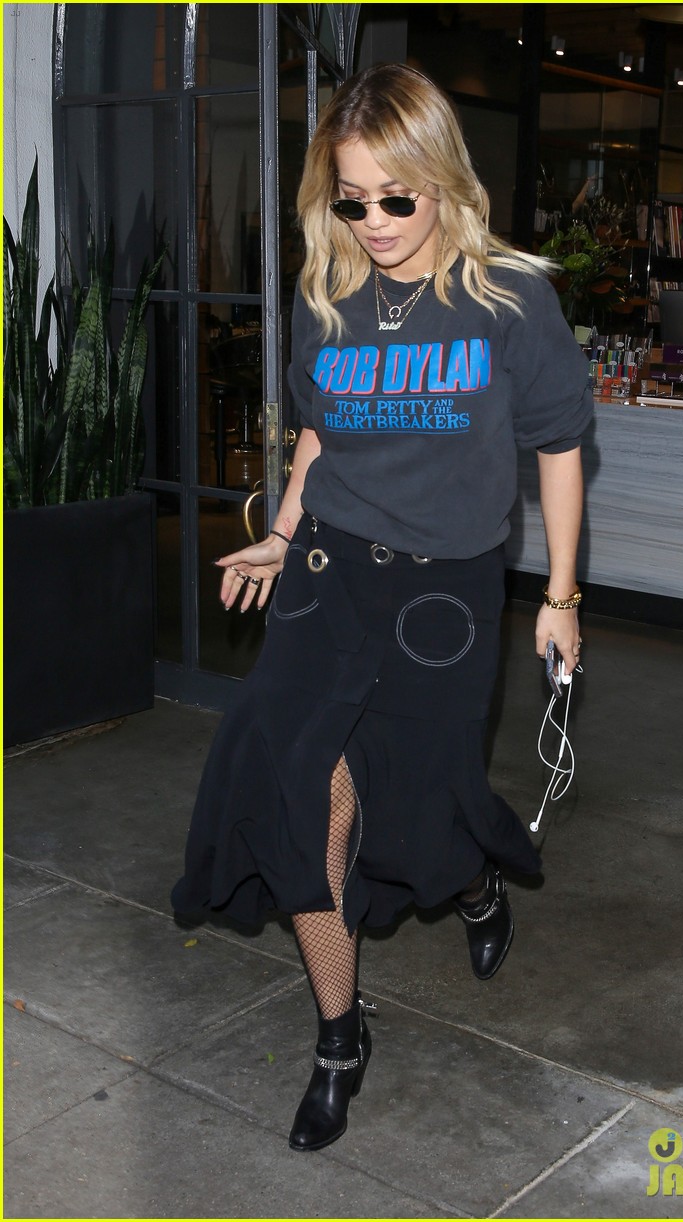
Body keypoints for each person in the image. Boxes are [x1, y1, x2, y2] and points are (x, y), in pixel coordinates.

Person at [171, 62, 592, 1153]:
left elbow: (557, 447)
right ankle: (337, 1036)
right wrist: (280, 532)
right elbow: (318, 435)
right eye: (351, 200)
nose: (374, 222)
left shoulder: (510, 299)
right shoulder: (328, 293)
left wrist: (559, 596)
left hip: (447, 586)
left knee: (421, 805)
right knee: (303, 792)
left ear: (441, 177)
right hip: (331, 573)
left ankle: (476, 880)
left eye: (394, 198)